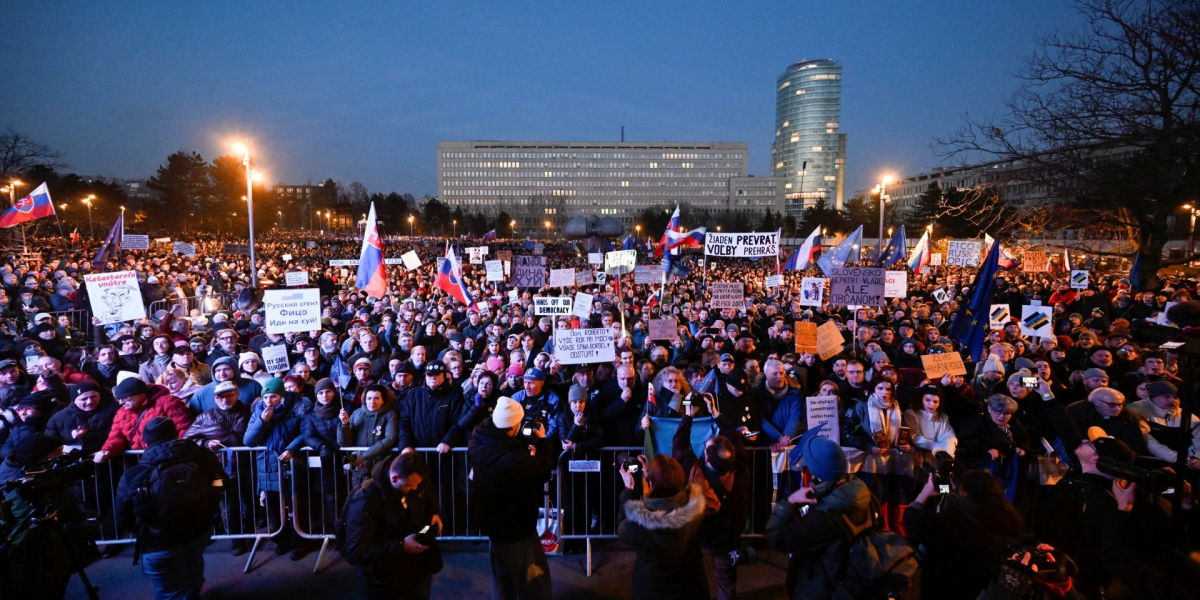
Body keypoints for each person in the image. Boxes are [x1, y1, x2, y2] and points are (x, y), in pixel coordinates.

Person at [115, 417, 226, 600]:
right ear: (175, 434)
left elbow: (123, 515)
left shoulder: (135, 474)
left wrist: (141, 528)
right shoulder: (203, 458)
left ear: (146, 441)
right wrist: (211, 498)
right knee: (193, 572)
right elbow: (220, 481)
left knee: (169, 591)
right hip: (199, 530)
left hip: (158, 542)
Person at [764, 435, 882, 599]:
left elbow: (775, 537)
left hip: (821, 588)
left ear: (816, 471)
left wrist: (789, 502)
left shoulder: (822, 518)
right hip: (853, 582)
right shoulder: (866, 494)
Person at [468, 396, 554, 600]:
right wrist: (542, 441)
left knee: (502, 576)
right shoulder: (514, 460)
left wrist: (521, 445)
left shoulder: (481, 438)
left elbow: (503, 443)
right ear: (513, 424)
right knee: (530, 577)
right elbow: (543, 470)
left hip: (493, 523)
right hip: (516, 526)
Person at [903, 470, 1024, 598]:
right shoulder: (1001, 520)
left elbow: (911, 518)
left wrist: (925, 493)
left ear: (965, 493)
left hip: (942, 591)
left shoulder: (950, 522)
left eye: (958, 489)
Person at [341, 452, 444, 600]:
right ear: (394, 478)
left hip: (416, 573)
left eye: (418, 485)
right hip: (384, 582)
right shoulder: (365, 499)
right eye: (410, 486)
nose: (415, 489)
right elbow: (356, 551)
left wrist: (434, 512)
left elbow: (426, 491)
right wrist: (401, 545)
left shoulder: (411, 477)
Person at [617, 453, 709, 600]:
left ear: (652, 484)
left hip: (652, 589)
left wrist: (629, 492)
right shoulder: (696, 511)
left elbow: (622, 529)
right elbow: (664, 503)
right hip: (689, 588)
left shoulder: (640, 522)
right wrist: (651, 480)